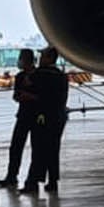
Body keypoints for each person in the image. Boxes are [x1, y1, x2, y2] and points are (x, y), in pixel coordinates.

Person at [21, 46, 70, 194]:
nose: (40, 59)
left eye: (43, 56)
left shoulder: (39, 75)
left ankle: (33, 182)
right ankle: (52, 181)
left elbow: (29, 88)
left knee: (39, 149)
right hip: (59, 117)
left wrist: (31, 96)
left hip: (42, 117)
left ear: (49, 58)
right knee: (53, 149)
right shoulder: (61, 75)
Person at [1, 49, 37, 187]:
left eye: (21, 59)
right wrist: (22, 95)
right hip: (23, 115)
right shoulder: (20, 76)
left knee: (36, 147)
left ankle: (32, 179)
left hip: (35, 116)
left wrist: (28, 96)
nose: (19, 61)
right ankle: (11, 176)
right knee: (15, 146)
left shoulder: (39, 76)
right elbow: (16, 96)